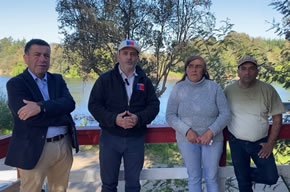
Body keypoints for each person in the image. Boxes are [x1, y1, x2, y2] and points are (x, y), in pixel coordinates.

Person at [5, 39, 79, 192]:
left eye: (46, 55)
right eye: (37, 55)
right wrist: (59, 113)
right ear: (26, 58)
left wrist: (41, 106)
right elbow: (27, 118)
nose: (42, 59)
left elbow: (70, 104)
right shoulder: (16, 84)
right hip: (34, 148)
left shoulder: (57, 80)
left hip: (63, 146)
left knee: (60, 189)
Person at [88, 39, 159, 192]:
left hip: (135, 139)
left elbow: (154, 106)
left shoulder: (144, 81)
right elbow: (94, 105)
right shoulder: (105, 80)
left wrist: (138, 118)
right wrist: (114, 119)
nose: (129, 57)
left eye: (133, 54)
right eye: (125, 53)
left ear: (137, 57)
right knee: (108, 185)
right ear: (118, 56)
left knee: (133, 185)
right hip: (109, 138)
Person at [166, 55, 231, 192]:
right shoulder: (178, 89)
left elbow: (225, 114)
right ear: (186, 69)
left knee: (211, 177)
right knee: (194, 177)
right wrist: (187, 131)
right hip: (187, 140)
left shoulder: (214, 88)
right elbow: (170, 116)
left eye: (198, 66)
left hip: (213, 140)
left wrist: (210, 132)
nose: (194, 69)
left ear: (204, 69)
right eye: (191, 66)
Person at [224, 56, 285, 192]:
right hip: (236, 142)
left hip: (260, 143)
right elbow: (221, 113)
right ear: (238, 72)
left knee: (271, 177)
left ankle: (243, 174)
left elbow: (277, 119)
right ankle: (242, 176)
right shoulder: (229, 90)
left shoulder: (267, 90)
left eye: (251, 69)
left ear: (257, 72)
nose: (247, 72)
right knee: (244, 185)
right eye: (243, 69)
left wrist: (270, 144)